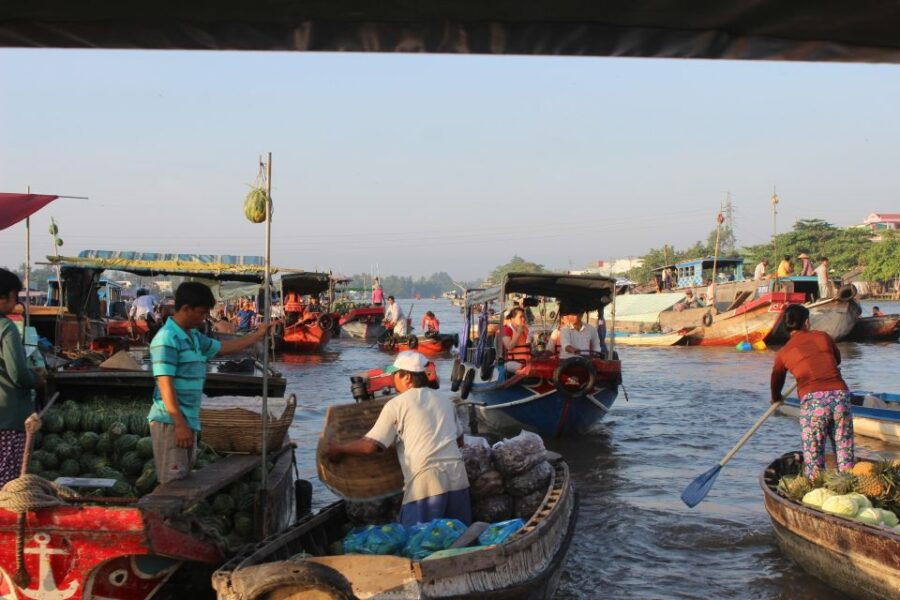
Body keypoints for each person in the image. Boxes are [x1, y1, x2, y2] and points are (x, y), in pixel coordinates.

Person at [148, 282, 278, 484]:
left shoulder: (194, 337)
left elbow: (224, 348)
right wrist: (179, 424)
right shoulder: (166, 339)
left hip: (188, 419)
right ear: (185, 309)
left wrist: (257, 336)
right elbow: (166, 385)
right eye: (201, 313)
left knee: (184, 479)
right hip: (170, 421)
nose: (203, 319)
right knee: (172, 483)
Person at [325, 351, 470, 527]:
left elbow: (370, 446)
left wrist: (339, 449)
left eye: (395, 375)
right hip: (458, 477)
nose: (393, 380)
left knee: (418, 543)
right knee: (457, 537)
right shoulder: (446, 401)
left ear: (407, 377)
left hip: (426, 482)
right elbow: (459, 442)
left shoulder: (397, 404)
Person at [771, 304, 853, 480]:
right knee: (844, 449)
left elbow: (776, 378)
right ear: (807, 322)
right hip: (840, 396)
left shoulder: (783, 353)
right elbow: (836, 360)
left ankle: (815, 490)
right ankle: (850, 486)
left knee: (813, 453)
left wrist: (776, 398)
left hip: (814, 402)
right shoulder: (823, 337)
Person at [0, 269, 45, 487]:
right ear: (7, 296)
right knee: (7, 486)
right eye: (15, 296)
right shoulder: (5, 328)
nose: (16, 302)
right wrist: (36, 379)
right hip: (7, 417)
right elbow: (18, 374)